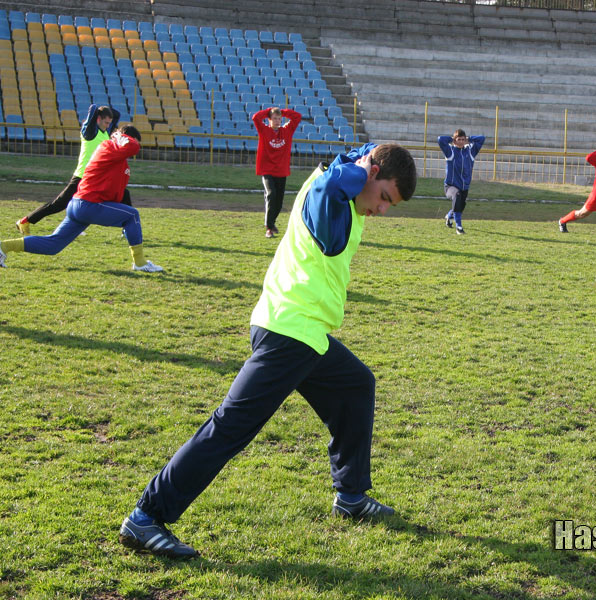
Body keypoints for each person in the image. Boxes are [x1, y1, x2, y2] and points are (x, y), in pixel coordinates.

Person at [118, 142, 417, 558]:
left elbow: (360, 152)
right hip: (288, 333)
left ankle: (350, 495)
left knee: (355, 384)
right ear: (371, 173)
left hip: (305, 332)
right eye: (385, 198)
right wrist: (355, 171)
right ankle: (146, 516)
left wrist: (361, 164)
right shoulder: (329, 190)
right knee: (230, 427)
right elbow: (331, 233)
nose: (383, 210)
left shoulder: (344, 180)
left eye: (391, 206)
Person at [0, 126, 162, 273]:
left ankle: (4, 247)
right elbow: (133, 146)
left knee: (53, 245)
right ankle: (140, 263)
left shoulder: (115, 154)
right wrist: (120, 134)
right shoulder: (109, 146)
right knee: (132, 215)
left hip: (80, 205)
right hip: (88, 205)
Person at [14, 104, 130, 236]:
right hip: (83, 177)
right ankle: (25, 221)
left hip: (96, 178)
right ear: (97, 119)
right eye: (106, 122)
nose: (108, 125)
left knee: (123, 193)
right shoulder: (89, 132)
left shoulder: (105, 133)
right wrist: (98, 110)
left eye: (109, 123)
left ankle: (128, 227)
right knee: (59, 204)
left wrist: (106, 111)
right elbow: (92, 108)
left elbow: (117, 115)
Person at [252, 106, 302, 238]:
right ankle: (268, 227)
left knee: (279, 202)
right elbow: (256, 117)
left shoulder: (287, 131)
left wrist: (283, 111)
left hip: (281, 170)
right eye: (274, 118)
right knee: (271, 194)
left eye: (279, 118)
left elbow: (297, 117)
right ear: (269, 119)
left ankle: (272, 224)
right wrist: (269, 111)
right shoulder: (264, 130)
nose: (277, 121)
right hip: (267, 169)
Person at [438, 129, 485, 235]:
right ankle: (459, 227)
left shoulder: (470, 151)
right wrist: (452, 139)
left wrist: (469, 139)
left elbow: (482, 139)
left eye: (463, 139)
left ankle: (449, 216)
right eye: (458, 139)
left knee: (460, 205)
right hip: (450, 186)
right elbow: (440, 139)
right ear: (455, 140)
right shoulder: (450, 151)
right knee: (457, 196)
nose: (461, 141)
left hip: (465, 186)